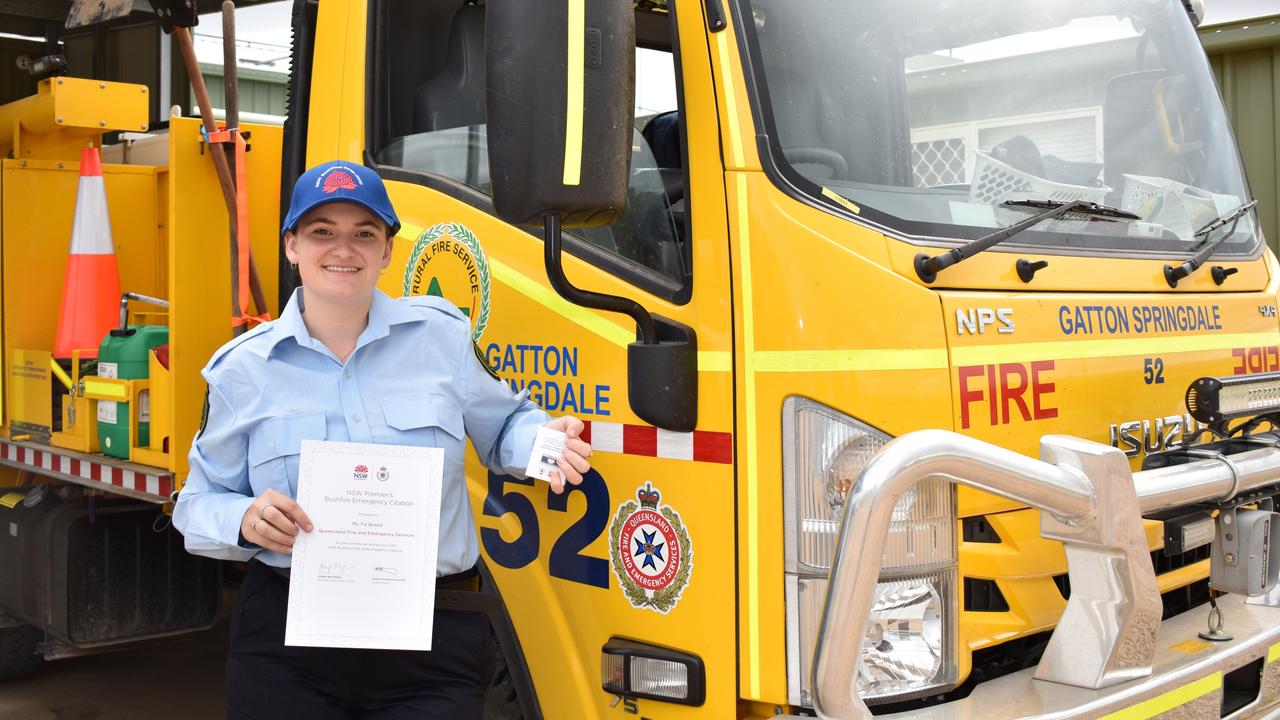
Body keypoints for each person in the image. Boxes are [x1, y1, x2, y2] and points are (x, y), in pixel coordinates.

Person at [173, 160, 592, 719]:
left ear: (387, 251)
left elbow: (503, 427)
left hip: (430, 643)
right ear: (291, 245)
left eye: (364, 234)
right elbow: (196, 504)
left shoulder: (442, 338)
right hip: (289, 643)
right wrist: (244, 519)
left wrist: (545, 444)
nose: (343, 249)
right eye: (322, 231)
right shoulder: (241, 369)